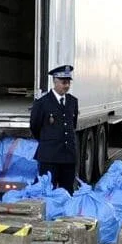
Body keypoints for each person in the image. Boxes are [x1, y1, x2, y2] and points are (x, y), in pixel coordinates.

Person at [30, 64, 80, 193]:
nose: (66, 85)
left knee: (67, 192)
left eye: (68, 82)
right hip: (49, 156)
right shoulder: (42, 103)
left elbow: (72, 125)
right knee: (47, 192)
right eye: (63, 82)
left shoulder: (72, 101)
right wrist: (48, 141)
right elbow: (35, 127)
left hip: (68, 156)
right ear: (55, 81)